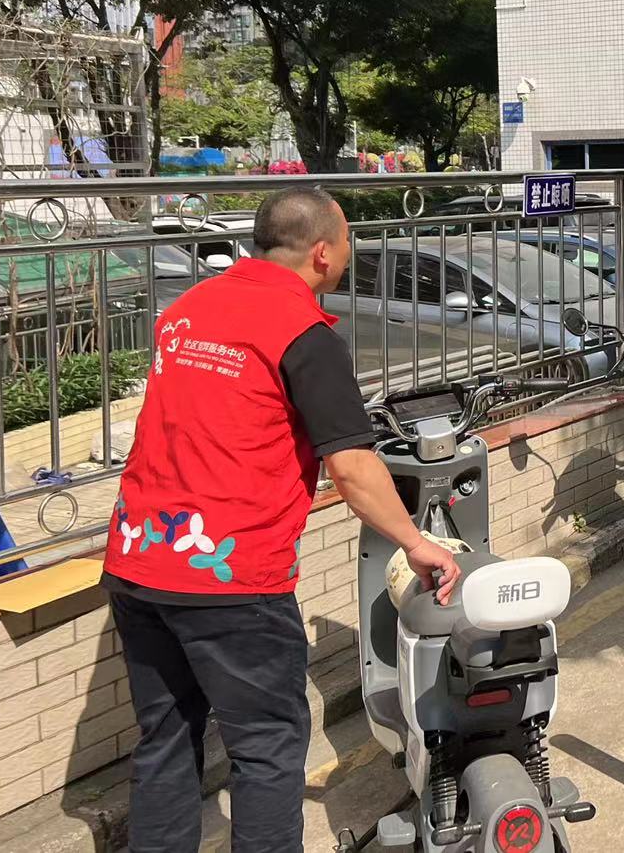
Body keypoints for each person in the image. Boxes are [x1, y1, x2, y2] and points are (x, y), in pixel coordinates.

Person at [103, 187, 461, 853]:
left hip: (137, 560)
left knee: (166, 738)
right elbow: (352, 468)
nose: (349, 254)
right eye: (348, 242)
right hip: (231, 578)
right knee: (266, 748)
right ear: (323, 252)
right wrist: (415, 542)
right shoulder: (303, 333)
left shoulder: (187, 308)